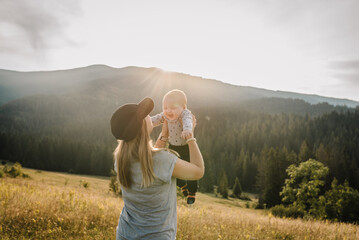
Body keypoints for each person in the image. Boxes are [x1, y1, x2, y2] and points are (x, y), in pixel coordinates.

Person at [110, 97, 204, 240]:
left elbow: (149, 161)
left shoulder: (120, 160)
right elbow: (198, 170)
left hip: (125, 233)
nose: (150, 116)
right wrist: (190, 138)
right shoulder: (163, 161)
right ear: (142, 126)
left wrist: (164, 136)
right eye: (146, 116)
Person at [151, 89, 198, 204]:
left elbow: (189, 121)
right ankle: (183, 185)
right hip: (173, 146)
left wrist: (187, 130)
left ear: (183, 107)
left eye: (173, 107)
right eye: (165, 107)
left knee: (190, 170)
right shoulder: (166, 116)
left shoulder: (185, 114)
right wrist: (147, 121)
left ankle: (192, 192)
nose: (168, 111)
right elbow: (156, 119)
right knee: (173, 169)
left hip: (185, 147)